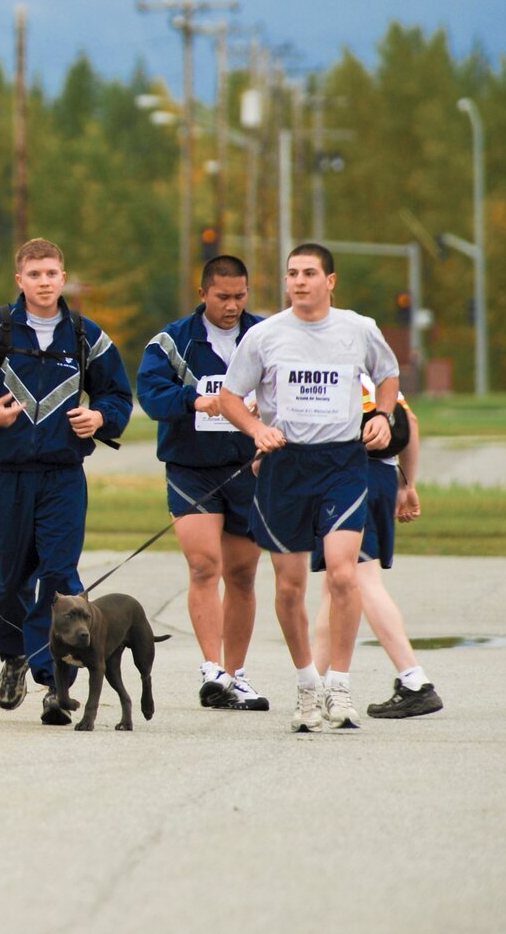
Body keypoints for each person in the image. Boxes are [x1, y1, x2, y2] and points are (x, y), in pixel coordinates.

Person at [0, 238, 133, 726]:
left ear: (63, 279)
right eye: (35, 274)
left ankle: (56, 682)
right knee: (11, 579)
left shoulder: (87, 337)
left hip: (63, 478)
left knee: (62, 578)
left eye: (52, 273)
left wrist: (101, 418)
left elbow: (118, 397)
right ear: (20, 280)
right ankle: (14, 656)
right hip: (6, 478)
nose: (44, 282)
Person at [218, 243, 400, 734]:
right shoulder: (264, 335)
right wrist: (257, 431)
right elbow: (230, 397)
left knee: (343, 575)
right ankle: (306, 685)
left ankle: (339, 684)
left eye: (309, 273)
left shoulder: (358, 329)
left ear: (330, 281)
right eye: (292, 274)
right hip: (284, 465)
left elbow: (388, 374)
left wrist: (382, 416)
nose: (299, 281)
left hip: (342, 462)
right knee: (290, 584)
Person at [135, 254, 269, 712]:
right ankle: (212, 670)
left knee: (243, 574)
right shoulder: (172, 343)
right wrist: (196, 400)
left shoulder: (266, 336)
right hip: (192, 469)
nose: (232, 306)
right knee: (203, 565)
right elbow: (150, 395)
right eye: (222, 297)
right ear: (202, 294)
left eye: (240, 296)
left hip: (249, 469)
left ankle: (237, 675)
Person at [309, 380, 444, 718]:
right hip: (382, 474)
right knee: (335, 585)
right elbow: (409, 423)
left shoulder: (325, 371)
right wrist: (407, 484)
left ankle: (414, 680)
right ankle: (314, 685)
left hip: (348, 478)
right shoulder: (370, 373)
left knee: (359, 578)